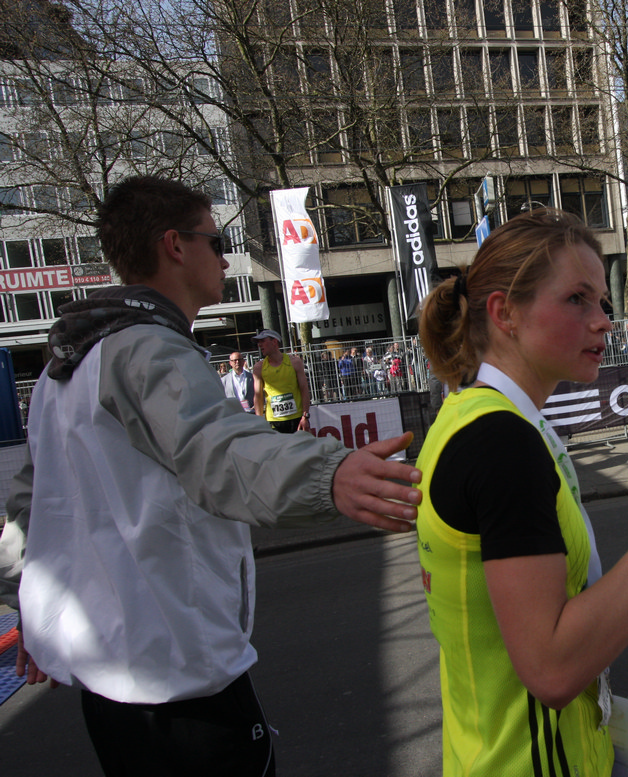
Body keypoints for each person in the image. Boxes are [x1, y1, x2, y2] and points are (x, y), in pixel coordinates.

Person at [0, 175, 422, 776]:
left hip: (112, 683)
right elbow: (218, 451)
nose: (224, 260)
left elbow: (34, 508)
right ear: (175, 245)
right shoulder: (145, 349)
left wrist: (37, 611)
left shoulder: (62, 368)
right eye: (215, 241)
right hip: (181, 677)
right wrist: (328, 476)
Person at [414, 209, 628, 777]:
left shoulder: (474, 416)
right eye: (577, 299)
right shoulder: (501, 441)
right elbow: (551, 668)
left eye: (601, 301)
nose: (603, 321)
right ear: (505, 313)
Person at [253, 329, 311, 432]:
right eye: (258, 342)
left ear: (274, 342)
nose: (259, 345)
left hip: (296, 419)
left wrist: (305, 416)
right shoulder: (259, 367)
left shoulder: (295, 362)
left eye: (263, 341)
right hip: (273, 421)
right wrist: (259, 421)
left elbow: (304, 390)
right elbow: (258, 396)